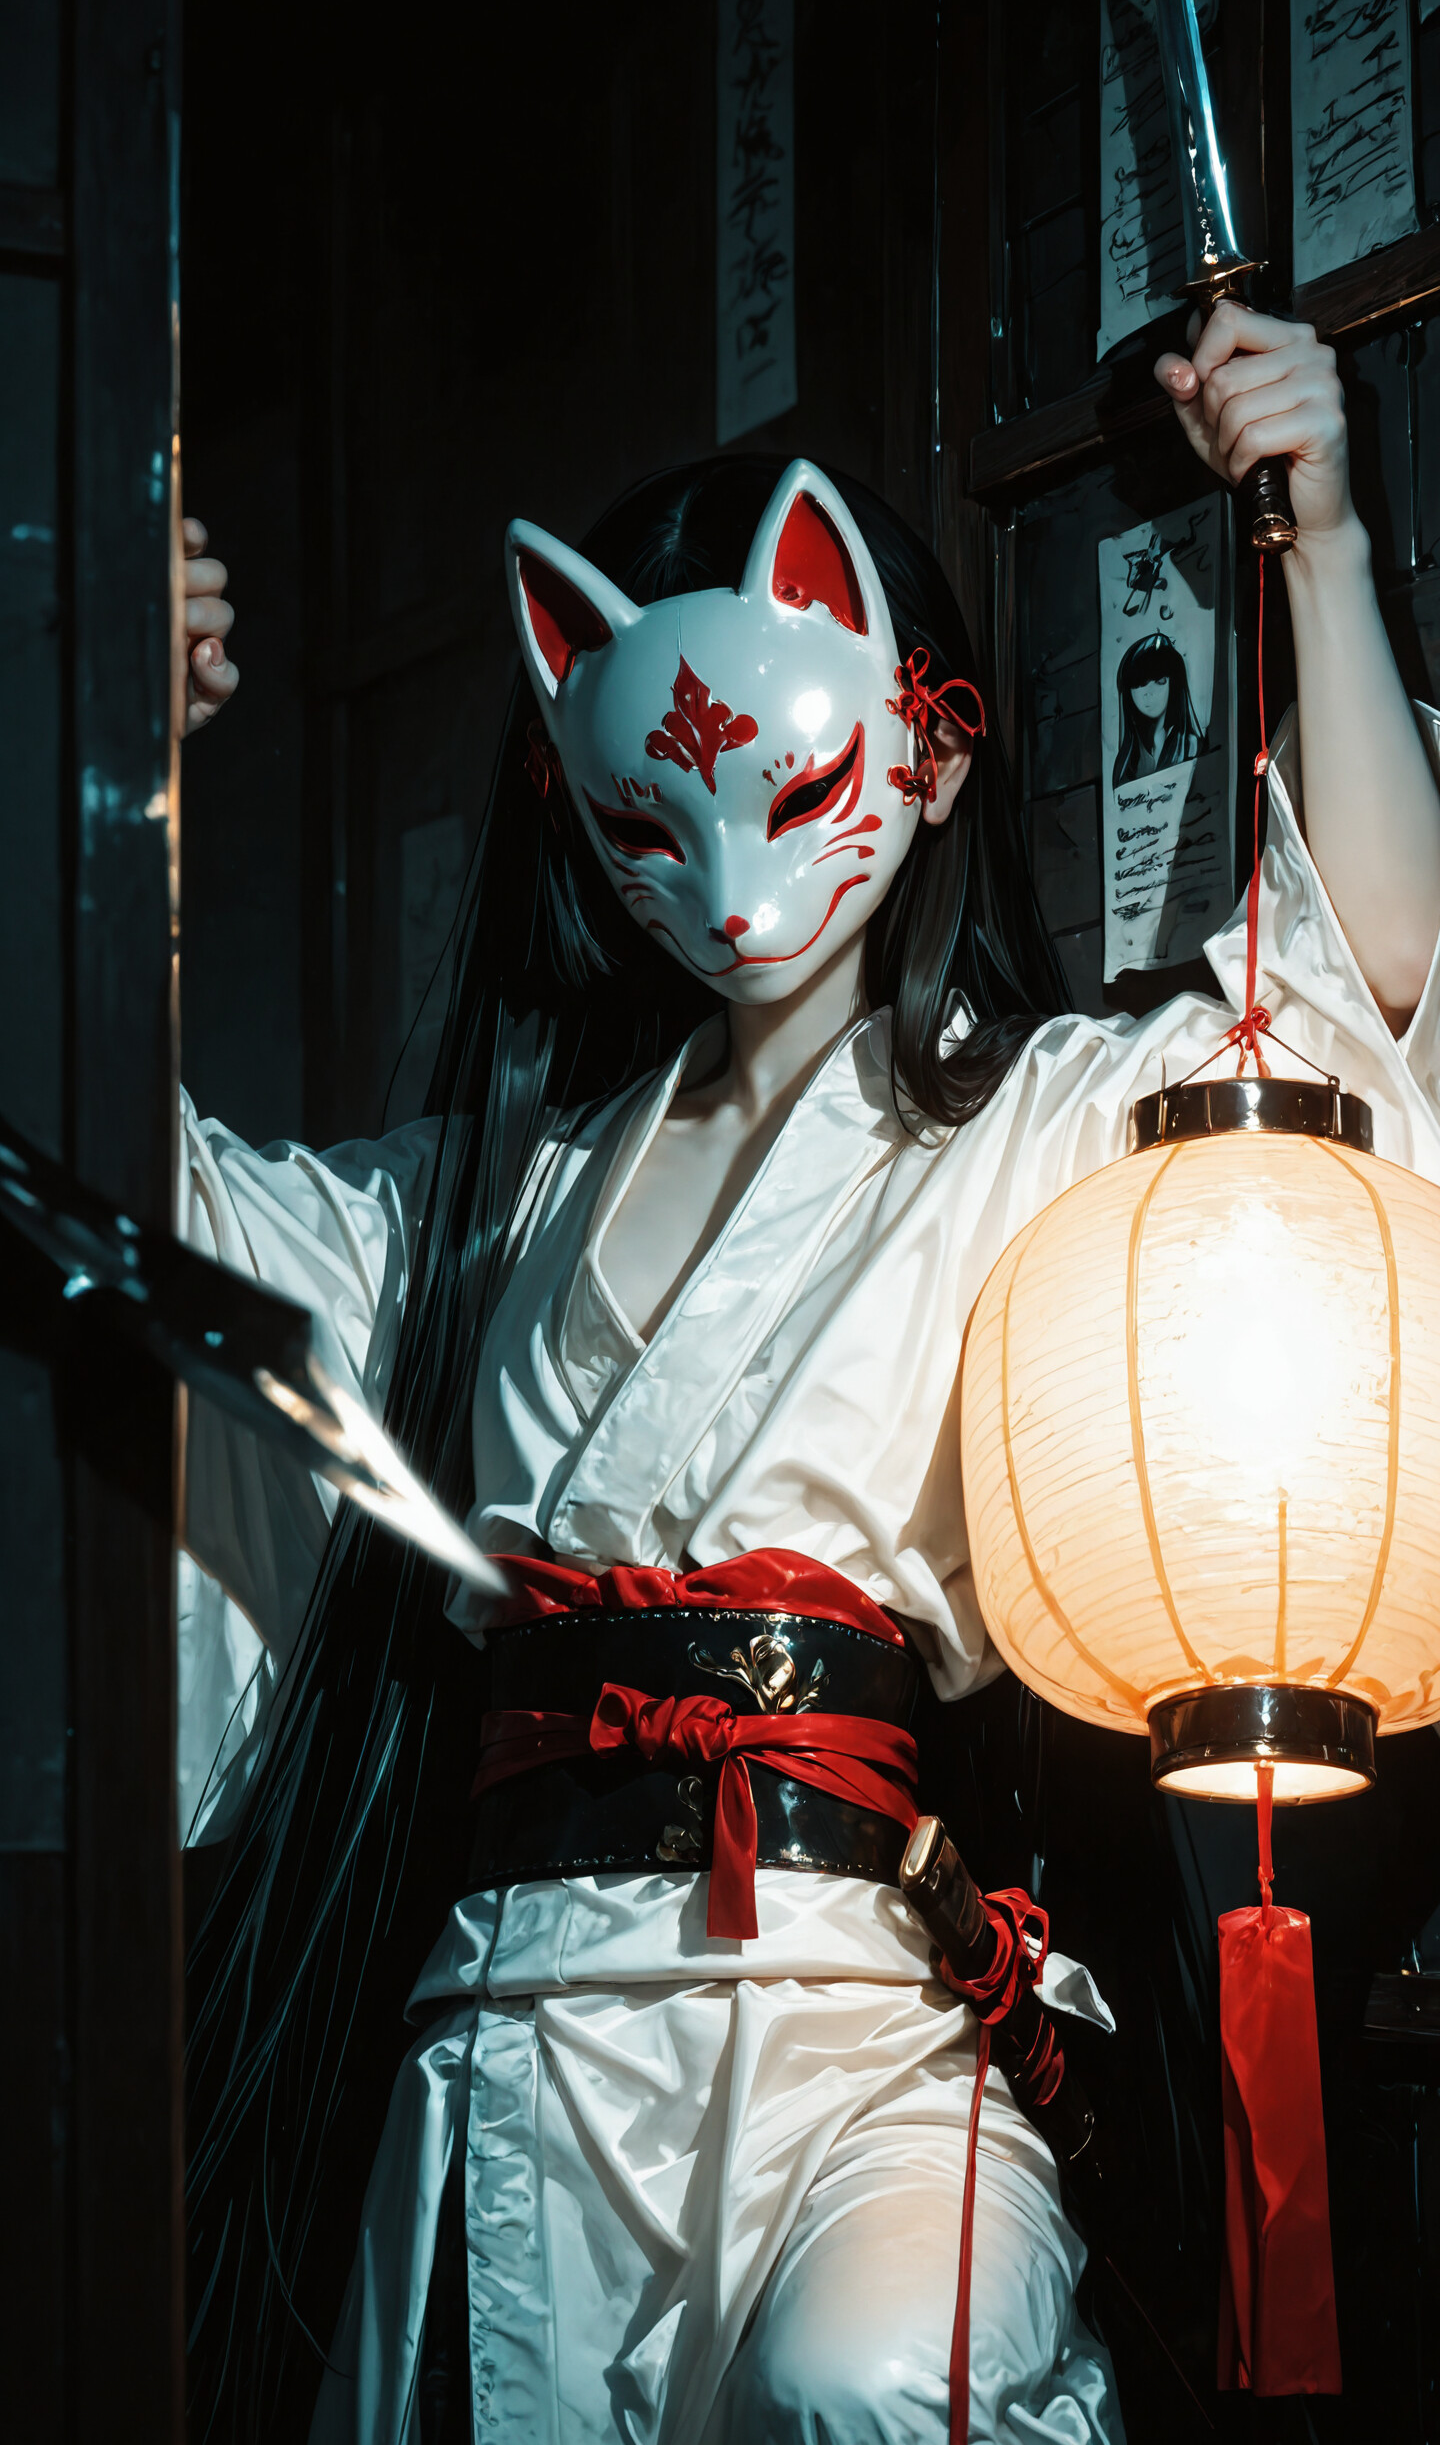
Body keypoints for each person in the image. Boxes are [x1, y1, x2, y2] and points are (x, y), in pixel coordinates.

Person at [177, 307, 1440, 2445]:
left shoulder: (1034, 1118)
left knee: (864, 2379)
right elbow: (152, 1221)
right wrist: (112, 774)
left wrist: (1315, 536)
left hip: (861, 2002)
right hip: (519, 2006)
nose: (733, 887)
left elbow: (1353, 1000)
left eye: (801, 794)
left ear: (928, 753)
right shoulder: (492, 1196)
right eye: (647, 830)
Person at [1110, 629, 1206, 788]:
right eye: (1139, 684)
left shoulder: (1190, 746)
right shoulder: (1126, 759)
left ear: (1174, 683)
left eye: (1159, 681)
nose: (1148, 693)